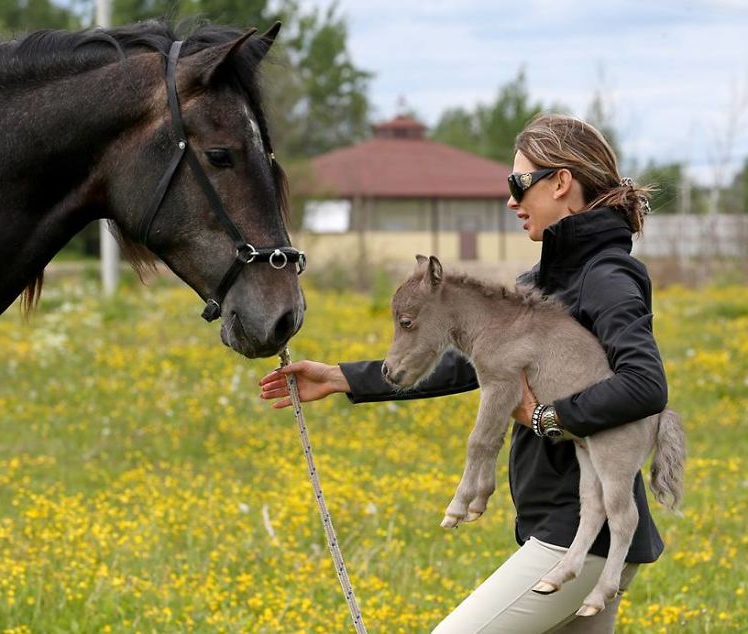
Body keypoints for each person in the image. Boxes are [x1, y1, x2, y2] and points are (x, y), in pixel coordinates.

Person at [259, 113, 669, 633]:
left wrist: (547, 418)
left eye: (518, 183)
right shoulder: (544, 279)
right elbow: (469, 361)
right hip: (569, 530)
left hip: (578, 533)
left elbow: (645, 384)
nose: (511, 200)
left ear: (561, 182)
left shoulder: (607, 277)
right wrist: (345, 377)